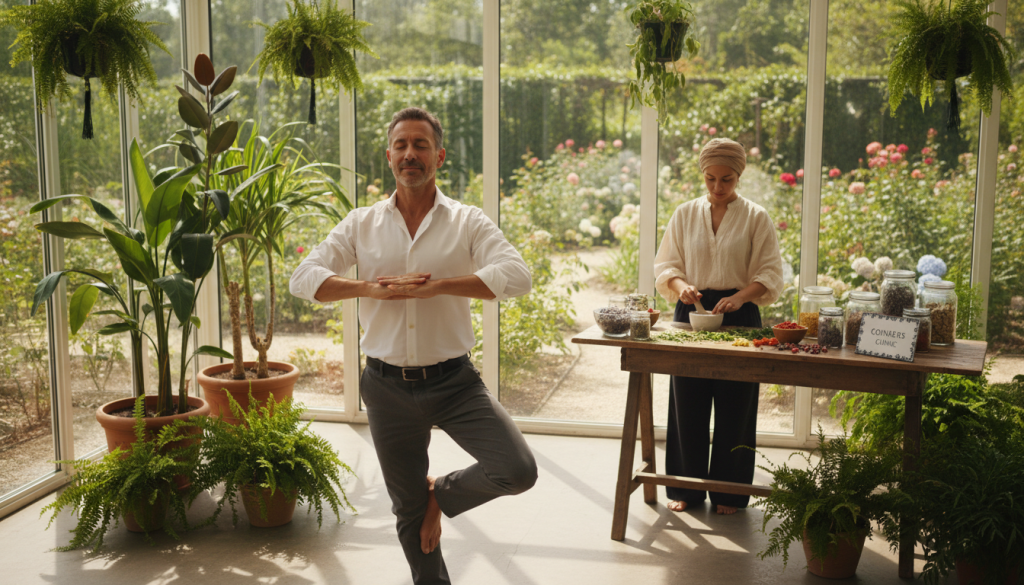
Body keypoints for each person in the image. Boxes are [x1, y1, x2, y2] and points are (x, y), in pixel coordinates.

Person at [289, 107, 537, 585]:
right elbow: (304, 278)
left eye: (420, 145)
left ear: (438, 156)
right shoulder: (361, 224)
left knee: (516, 469)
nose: (410, 154)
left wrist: (438, 286)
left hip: (455, 382)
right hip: (385, 388)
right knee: (407, 511)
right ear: (388, 157)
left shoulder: (467, 221)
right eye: (401, 145)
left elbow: (518, 276)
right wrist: (368, 289)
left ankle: (438, 493)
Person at [653, 138, 784, 516]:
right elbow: (666, 266)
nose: (717, 188)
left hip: (740, 316)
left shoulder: (756, 217)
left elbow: (770, 273)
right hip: (690, 312)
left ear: (739, 176)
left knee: (736, 407)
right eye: (710, 179)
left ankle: (729, 493)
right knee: (686, 403)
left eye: (726, 179)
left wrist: (742, 296)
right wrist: (682, 288)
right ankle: (686, 489)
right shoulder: (684, 214)